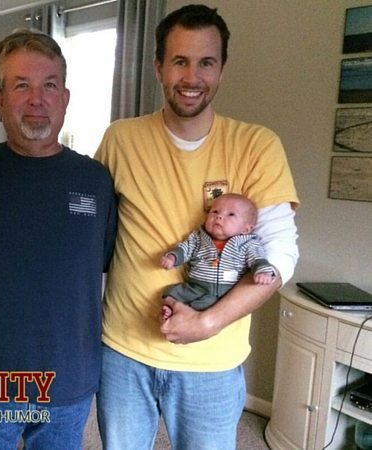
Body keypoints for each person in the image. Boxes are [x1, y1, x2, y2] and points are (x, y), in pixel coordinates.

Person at [94, 5, 299, 450]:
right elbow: (91, 228)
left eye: (206, 62)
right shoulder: (120, 139)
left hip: (213, 360)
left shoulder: (257, 146)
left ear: (222, 69)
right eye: (180, 61)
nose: (192, 76)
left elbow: (281, 254)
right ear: (158, 67)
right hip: (123, 353)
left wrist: (208, 322)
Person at [0, 29, 117, 450]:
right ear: (1, 98)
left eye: (49, 86)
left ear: (64, 98)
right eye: (21, 85)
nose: (36, 99)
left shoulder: (95, 180)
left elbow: (104, 262)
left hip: (70, 379)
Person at [160, 193, 276, 319]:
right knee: (172, 292)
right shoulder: (198, 238)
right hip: (195, 287)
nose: (219, 217)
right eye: (214, 212)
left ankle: (186, 314)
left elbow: (258, 259)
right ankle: (170, 309)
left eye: (231, 214)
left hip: (224, 294)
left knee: (209, 305)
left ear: (246, 229)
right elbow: (184, 248)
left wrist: (263, 272)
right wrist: (172, 257)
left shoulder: (248, 244)